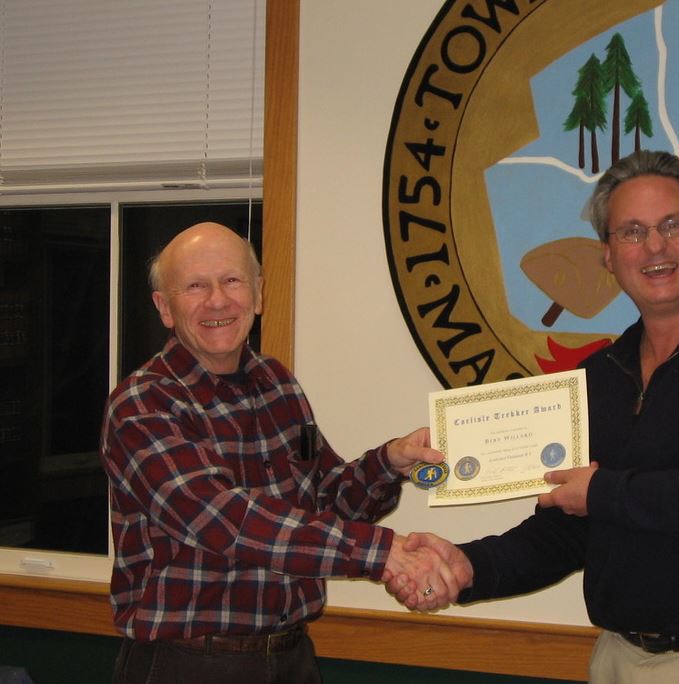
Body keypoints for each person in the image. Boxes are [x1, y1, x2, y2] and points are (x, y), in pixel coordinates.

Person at [388, 150, 679, 683]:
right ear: (609, 257)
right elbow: (570, 529)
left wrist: (605, 492)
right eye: (632, 232)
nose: (655, 246)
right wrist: (469, 566)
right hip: (619, 657)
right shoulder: (599, 376)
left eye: (673, 225)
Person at [100, 222, 456, 684]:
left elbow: (325, 500)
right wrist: (383, 552)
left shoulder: (278, 385)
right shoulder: (142, 404)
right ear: (165, 308)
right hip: (187, 665)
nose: (217, 301)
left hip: (292, 657)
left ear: (258, 293)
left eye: (232, 280)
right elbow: (226, 521)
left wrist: (389, 462)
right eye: (195, 286)